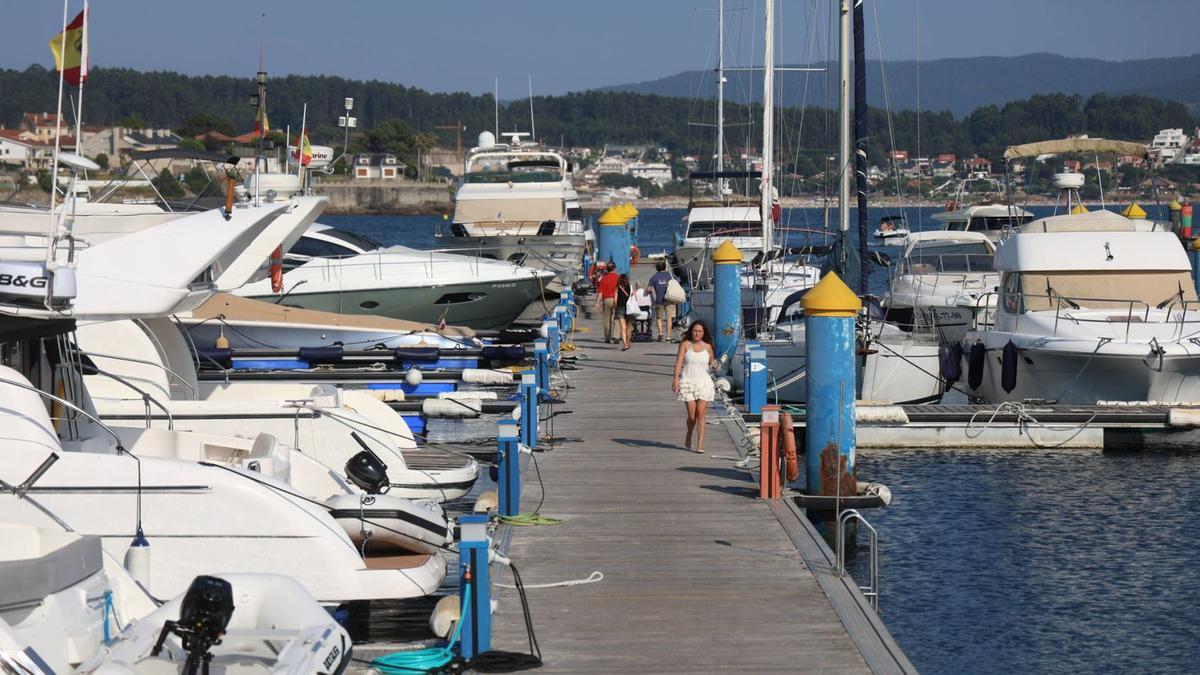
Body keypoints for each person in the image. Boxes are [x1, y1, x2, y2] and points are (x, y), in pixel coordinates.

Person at [672, 320, 716, 452]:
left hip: (704, 382)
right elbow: (679, 362)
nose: (697, 333)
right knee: (692, 416)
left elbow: (712, 364)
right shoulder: (685, 344)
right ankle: (689, 432)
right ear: (691, 331)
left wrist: (715, 366)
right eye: (695, 331)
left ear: (704, 333)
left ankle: (700, 444)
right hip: (688, 382)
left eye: (700, 331)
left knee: (701, 414)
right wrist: (676, 379)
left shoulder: (708, 347)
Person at [648, 260, 675, 342]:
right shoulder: (670, 276)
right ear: (665, 267)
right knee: (669, 318)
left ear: (657, 268)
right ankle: (668, 337)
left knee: (659, 317)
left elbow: (649, 289)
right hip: (669, 299)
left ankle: (660, 334)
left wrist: (651, 292)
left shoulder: (654, 277)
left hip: (659, 300)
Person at [593, 262, 619, 343]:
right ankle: (616, 336)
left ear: (607, 269)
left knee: (606, 319)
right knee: (617, 318)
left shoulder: (603, 279)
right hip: (616, 299)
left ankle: (607, 337)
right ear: (615, 268)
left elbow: (600, 293)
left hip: (606, 300)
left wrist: (597, 303)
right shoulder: (619, 278)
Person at [614, 273, 633, 350]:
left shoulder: (617, 288)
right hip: (629, 309)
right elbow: (634, 298)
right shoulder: (630, 287)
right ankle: (628, 343)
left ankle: (625, 344)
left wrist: (616, 308)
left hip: (620, 308)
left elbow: (615, 300)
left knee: (623, 327)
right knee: (628, 327)